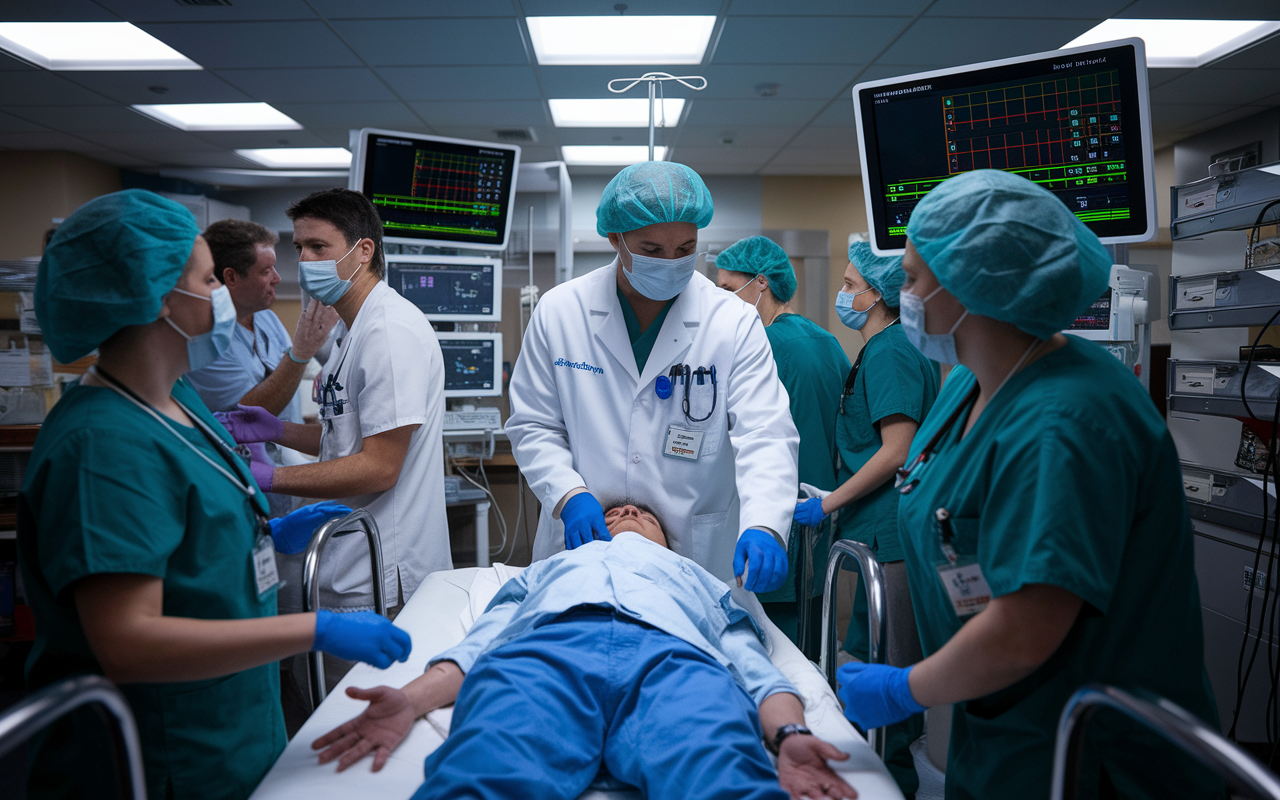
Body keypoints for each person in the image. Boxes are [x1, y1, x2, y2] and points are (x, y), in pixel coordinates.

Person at [835, 170, 1218, 799]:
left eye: (909, 277)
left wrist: (904, 688)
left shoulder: (1067, 421)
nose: (899, 293)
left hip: (1091, 753)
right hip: (1004, 729)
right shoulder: (970, 383)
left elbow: (1024, 630)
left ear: (969, 287)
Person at [19, 190, 412, 800]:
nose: (223, 294)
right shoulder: (103, 443)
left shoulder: (180, 403)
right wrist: (312, 628)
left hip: (236, 728)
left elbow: (195, 516)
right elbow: (130, 641)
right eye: (208, 279)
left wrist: (258, 529)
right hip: (165, 754)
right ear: (154, 297)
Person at [310, 502, 857, 800]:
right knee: (485, 772)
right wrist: (409, 700)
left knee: (721, 775)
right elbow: (481, 644)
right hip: (546, 656)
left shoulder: (697, 576)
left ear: (667, 540)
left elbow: (755, 667)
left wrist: (789, 734)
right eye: (614, 512)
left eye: (642, 515)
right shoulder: (548, 568)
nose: (625, 515)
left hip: (674, 662)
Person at [506, 161, 799, 594]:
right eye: (652, 250)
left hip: (696, 553)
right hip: (586, 545)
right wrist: (569, 494)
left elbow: (766, 433)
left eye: (685, 249)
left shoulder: (732, 321)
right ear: (615, 239)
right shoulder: (560, 311)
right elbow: (533, 424)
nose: (671, 263)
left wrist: (765, 523)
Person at [251, 189, 448, 613]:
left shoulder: (389, 332)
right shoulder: (350, 329)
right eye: (299, 247)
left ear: (363, 251)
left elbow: (379, 467)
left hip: (380, 575)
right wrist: (277, 430)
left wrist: (268, 477)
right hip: (351, 560)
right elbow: (347, 434)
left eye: (319, 247)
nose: (303, 261)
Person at [791, 241, 938, 795]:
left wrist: (827, 503)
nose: (844, 293)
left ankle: (893, 783)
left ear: (878, 294)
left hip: (891, 531)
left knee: (891, 672)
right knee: (868, 663)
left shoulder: (894, 349)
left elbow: (897, 449)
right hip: (874, 531)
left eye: (852, 284)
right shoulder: (880, 347)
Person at [715, 235, 849, 648]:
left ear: (760, 284)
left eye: (725, 289)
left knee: (768, 648)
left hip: (773, 520)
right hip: (818, 518)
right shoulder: (826, 342)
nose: (719, 300)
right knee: (810, 643)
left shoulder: (764, 346)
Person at [186, 219, 340, 517]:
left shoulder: (264, 316)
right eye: (266, 270)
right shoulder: (205, 338)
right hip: (242, 481)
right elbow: (255, 411)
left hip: (286, 470)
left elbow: (289, 367)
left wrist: (326, 366)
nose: (277, 278)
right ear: (231, 277)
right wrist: (301, 352)